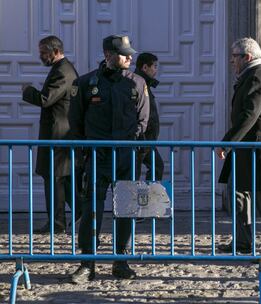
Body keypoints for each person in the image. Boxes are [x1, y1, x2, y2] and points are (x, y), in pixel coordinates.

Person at [69, 34, 150, 283]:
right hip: (97, 156)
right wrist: (86, 148)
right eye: (124, 53)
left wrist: (131, 146)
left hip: (125, 157)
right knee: (91, 210)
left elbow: (143, 120)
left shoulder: (137, 83)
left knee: (125, 210)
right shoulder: (86, 83)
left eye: (130, 53)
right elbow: (76, 121)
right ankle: (87, 264)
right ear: (108, 55)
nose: (129, 57)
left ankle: (121, 260)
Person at [216, 37, 261, 255]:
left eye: (234, 57)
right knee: (238, 192)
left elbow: (250, 115)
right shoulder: (259, 75)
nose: (232, 61)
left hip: (258, 150)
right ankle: (242, 242)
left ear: (247, 57)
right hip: (250, 150)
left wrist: (227, 143)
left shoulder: (257, 77)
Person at [22, 35, 80, 234]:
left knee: (55, 180)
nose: (40, 56)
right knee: (62, 179)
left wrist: (28, 91)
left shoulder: (63, 71)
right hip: (57, 135)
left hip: (58, 136)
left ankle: (58, 224)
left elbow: (46, 99)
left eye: (43, 52)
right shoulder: (61, 69)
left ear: (55, 51)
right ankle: (80, 214)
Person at [134, 52, 164, 181]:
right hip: (141, 139)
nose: (156, 70)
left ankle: (148, 197)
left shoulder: (145, 83)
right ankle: (139, 199)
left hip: (147, 140)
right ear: (145, 67)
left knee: (156, 167)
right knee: (134, 172)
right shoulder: (138, 83)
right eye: (155, 66)